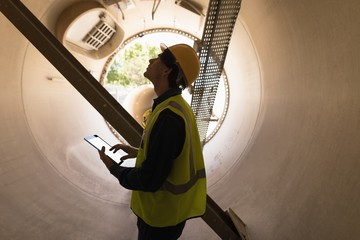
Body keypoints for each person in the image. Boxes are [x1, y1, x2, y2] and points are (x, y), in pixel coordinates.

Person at [98, 43, 207, 240]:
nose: (150, 60)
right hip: (168, 215)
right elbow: (169, 157)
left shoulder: (168, 117)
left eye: (157, 58)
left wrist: (113, 167)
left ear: (166, 70)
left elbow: (149, 179)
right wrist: (137, 152)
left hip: (159, 219)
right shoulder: (173, 107)